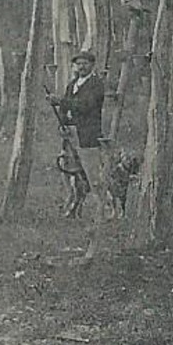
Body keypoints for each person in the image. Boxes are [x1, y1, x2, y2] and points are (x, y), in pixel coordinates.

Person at [60, 51, 108, 256]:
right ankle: (74, 206)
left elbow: (86, 106)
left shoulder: (96, 85)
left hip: (88, 135)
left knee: (92, 173)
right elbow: (66, 107)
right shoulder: (72, 85)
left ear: (92, 65)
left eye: (85, 64)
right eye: (78, 64)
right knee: (72, 173)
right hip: (71, 134)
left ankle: (104, 209)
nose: (81, 67)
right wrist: (63, 121)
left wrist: (62, 102)